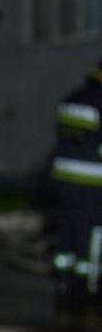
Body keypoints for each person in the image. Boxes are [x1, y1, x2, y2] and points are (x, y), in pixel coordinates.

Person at [49, 60, 102, 310]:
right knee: (92, 233)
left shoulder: (72, 97)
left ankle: (63, 280)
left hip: (63, 176)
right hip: (92, 178)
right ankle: (88, 283)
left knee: (67, 227)